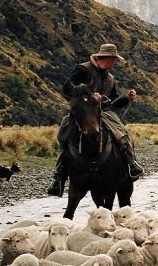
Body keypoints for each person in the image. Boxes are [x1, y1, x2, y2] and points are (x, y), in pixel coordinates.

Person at [46, 43, 142, 197]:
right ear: (106, 58)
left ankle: (131, 165)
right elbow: (68, 87)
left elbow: (112, 101)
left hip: (103, 111)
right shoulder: (82, 69)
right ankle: (58, 177)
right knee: (64, 134)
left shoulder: (110, 77)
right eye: (113, 59)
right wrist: (89, 93)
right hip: (84, 109)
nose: (114, 63)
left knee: (123, 133)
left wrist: (126, 98)